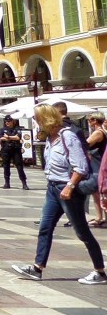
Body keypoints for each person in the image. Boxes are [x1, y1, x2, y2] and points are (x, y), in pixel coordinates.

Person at [12, 104, 106, 285]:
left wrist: (70, 186)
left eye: (37, 118)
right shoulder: (50, 137)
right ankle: (37, 268)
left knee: (82, 232)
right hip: (53, 189)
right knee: (45, 227)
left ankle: (100, 271)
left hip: (67, 190)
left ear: (46, 118)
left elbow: (81, 166)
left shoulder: (67, 136)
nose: (35, 121)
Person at [82, 112, 105, 228]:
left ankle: (103, 217)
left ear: (95, 120)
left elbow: (85, 144)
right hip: (96, 164)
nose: (88, 122)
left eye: (89, 120)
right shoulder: (99, 131)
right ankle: (99, 217)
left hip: (98, 164)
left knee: (100, 192)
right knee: (95, 192)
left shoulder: (98, 132)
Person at [0, 115, 28, 190]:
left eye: (9, 121)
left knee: (19, 166)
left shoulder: (17, 128)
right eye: (6, 121)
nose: (7, 123)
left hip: (15, 149)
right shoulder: (3, 129)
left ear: (12, 121)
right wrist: (12, 137)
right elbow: (1, 138)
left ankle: (24, 183)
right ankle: (7, 183)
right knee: (6, 166)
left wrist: (8, 137)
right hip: (6, 149)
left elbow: (18, 137)